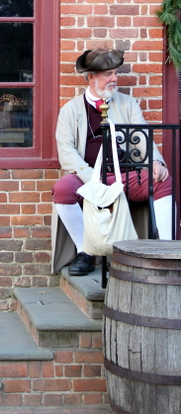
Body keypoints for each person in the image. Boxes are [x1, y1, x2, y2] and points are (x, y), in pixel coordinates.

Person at [52, 48, 173, 276]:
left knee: (162, 181)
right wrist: (92, 182)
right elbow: (66, 152)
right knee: (62, 189)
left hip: (124, 175)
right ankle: (84, 251)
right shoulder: (70, 110)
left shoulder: (127, 104)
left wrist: (156, 161)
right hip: (86, 177)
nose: (115, 79)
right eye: (108, 74)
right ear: (91, 77)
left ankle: (168, 253)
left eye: (115, 73)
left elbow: (143, 138)